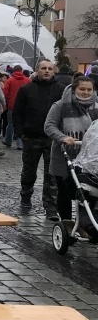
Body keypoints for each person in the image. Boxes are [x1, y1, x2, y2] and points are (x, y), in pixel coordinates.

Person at [13, 60, 65, 217]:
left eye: (50, 69)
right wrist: (21, 132)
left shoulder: (61, 90)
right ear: (37, 70)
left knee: (52, 174)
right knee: (29, 170)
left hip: (53, 139)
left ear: (54, 71)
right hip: (31, 137)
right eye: (44, 68)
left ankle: (50, 205)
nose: (47, 71)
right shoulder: (26, 89)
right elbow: (17, 113)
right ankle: (26, 195)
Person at [45, 76, 98, 225]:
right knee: (64, 190)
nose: (86, 92)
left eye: (89, 89)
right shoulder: (61, 105)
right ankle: (67, 222)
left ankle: (86, 223)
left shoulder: (97, 106)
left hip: (90, 156)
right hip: (64, 154)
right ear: (74, 89)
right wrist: (62, 137)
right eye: (82, 89)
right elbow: (49, 126)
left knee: (88, 190)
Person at [3, 65, 31, 149]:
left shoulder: (9, 80)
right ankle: (20, 144)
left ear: (13, 71)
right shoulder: (28, 80)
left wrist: (8, 101)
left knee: (10, 124)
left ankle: (8, 141)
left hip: (12, 105)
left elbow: (5, 93)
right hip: (25, 105)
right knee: (22, 124)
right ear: (21, 70)